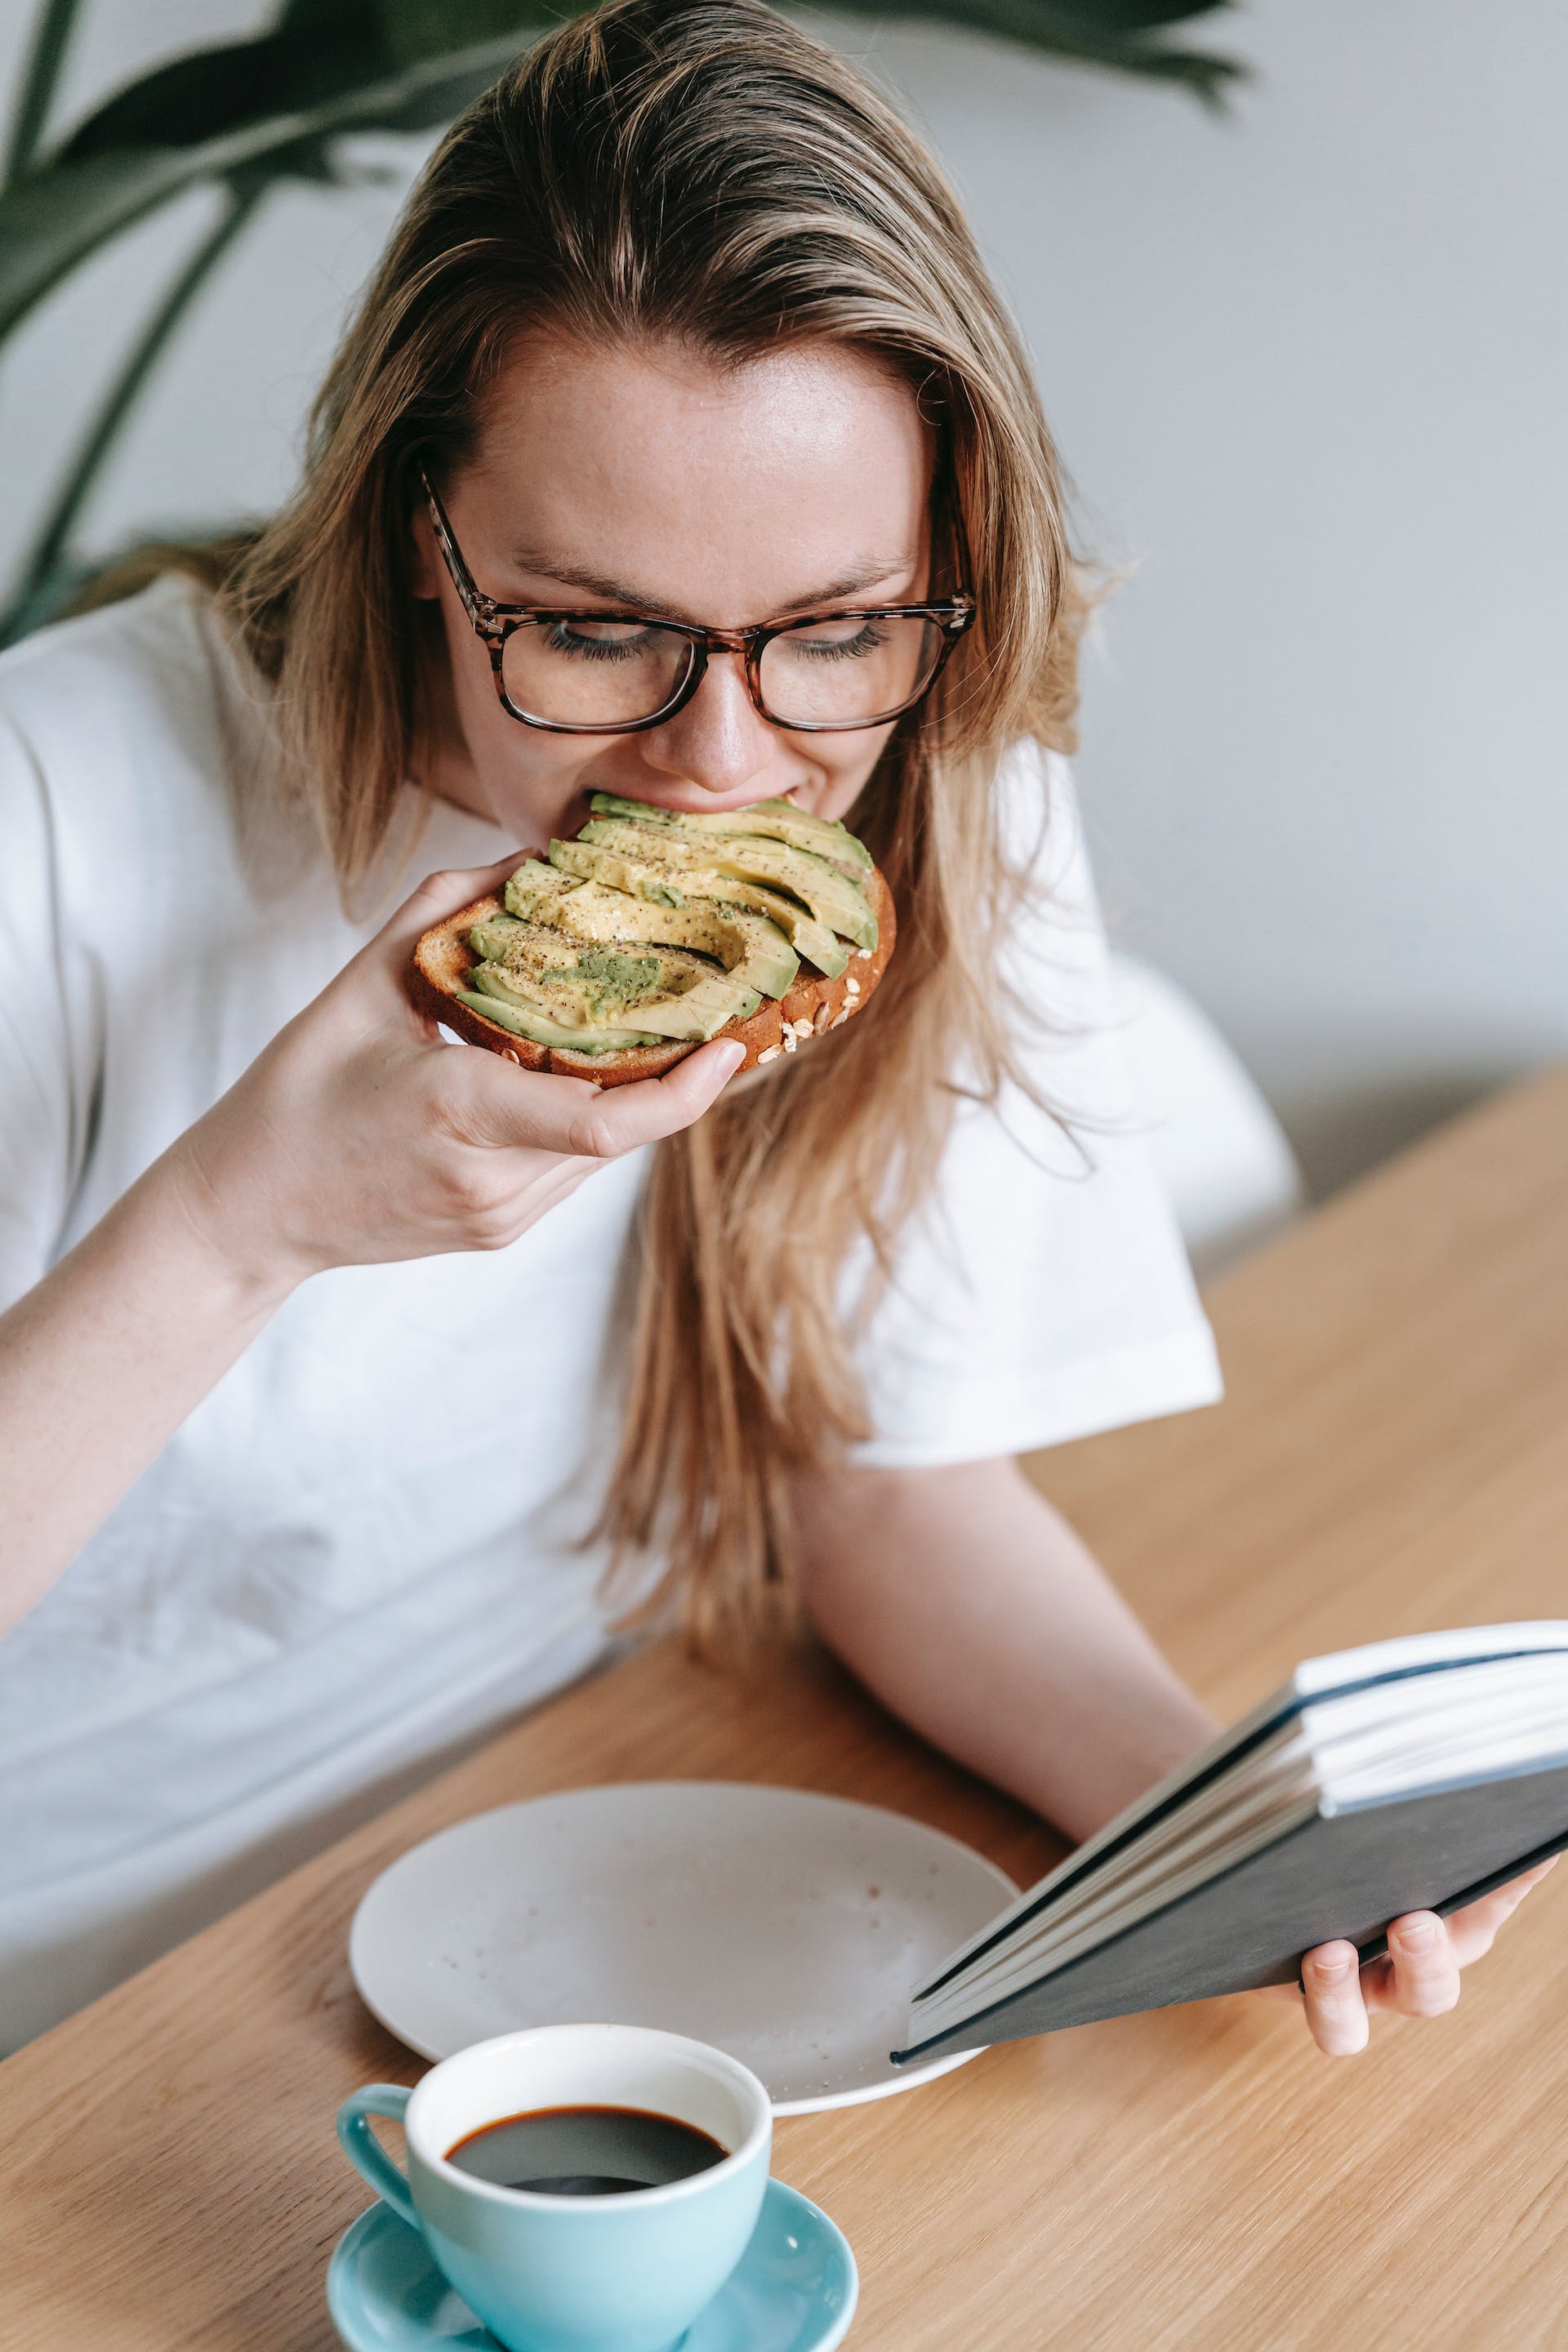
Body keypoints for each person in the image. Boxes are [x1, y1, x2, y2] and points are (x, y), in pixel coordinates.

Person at [0, 0, 1547, 2056]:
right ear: (407, 535)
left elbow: (879, 1486)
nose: (724, 762)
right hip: (76, 1975)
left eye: (832, 628)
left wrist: (1206, 1819)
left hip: (576, 1838)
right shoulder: (61, 817)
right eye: (591, 629)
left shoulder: (933, 781)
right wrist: (235, 1227)